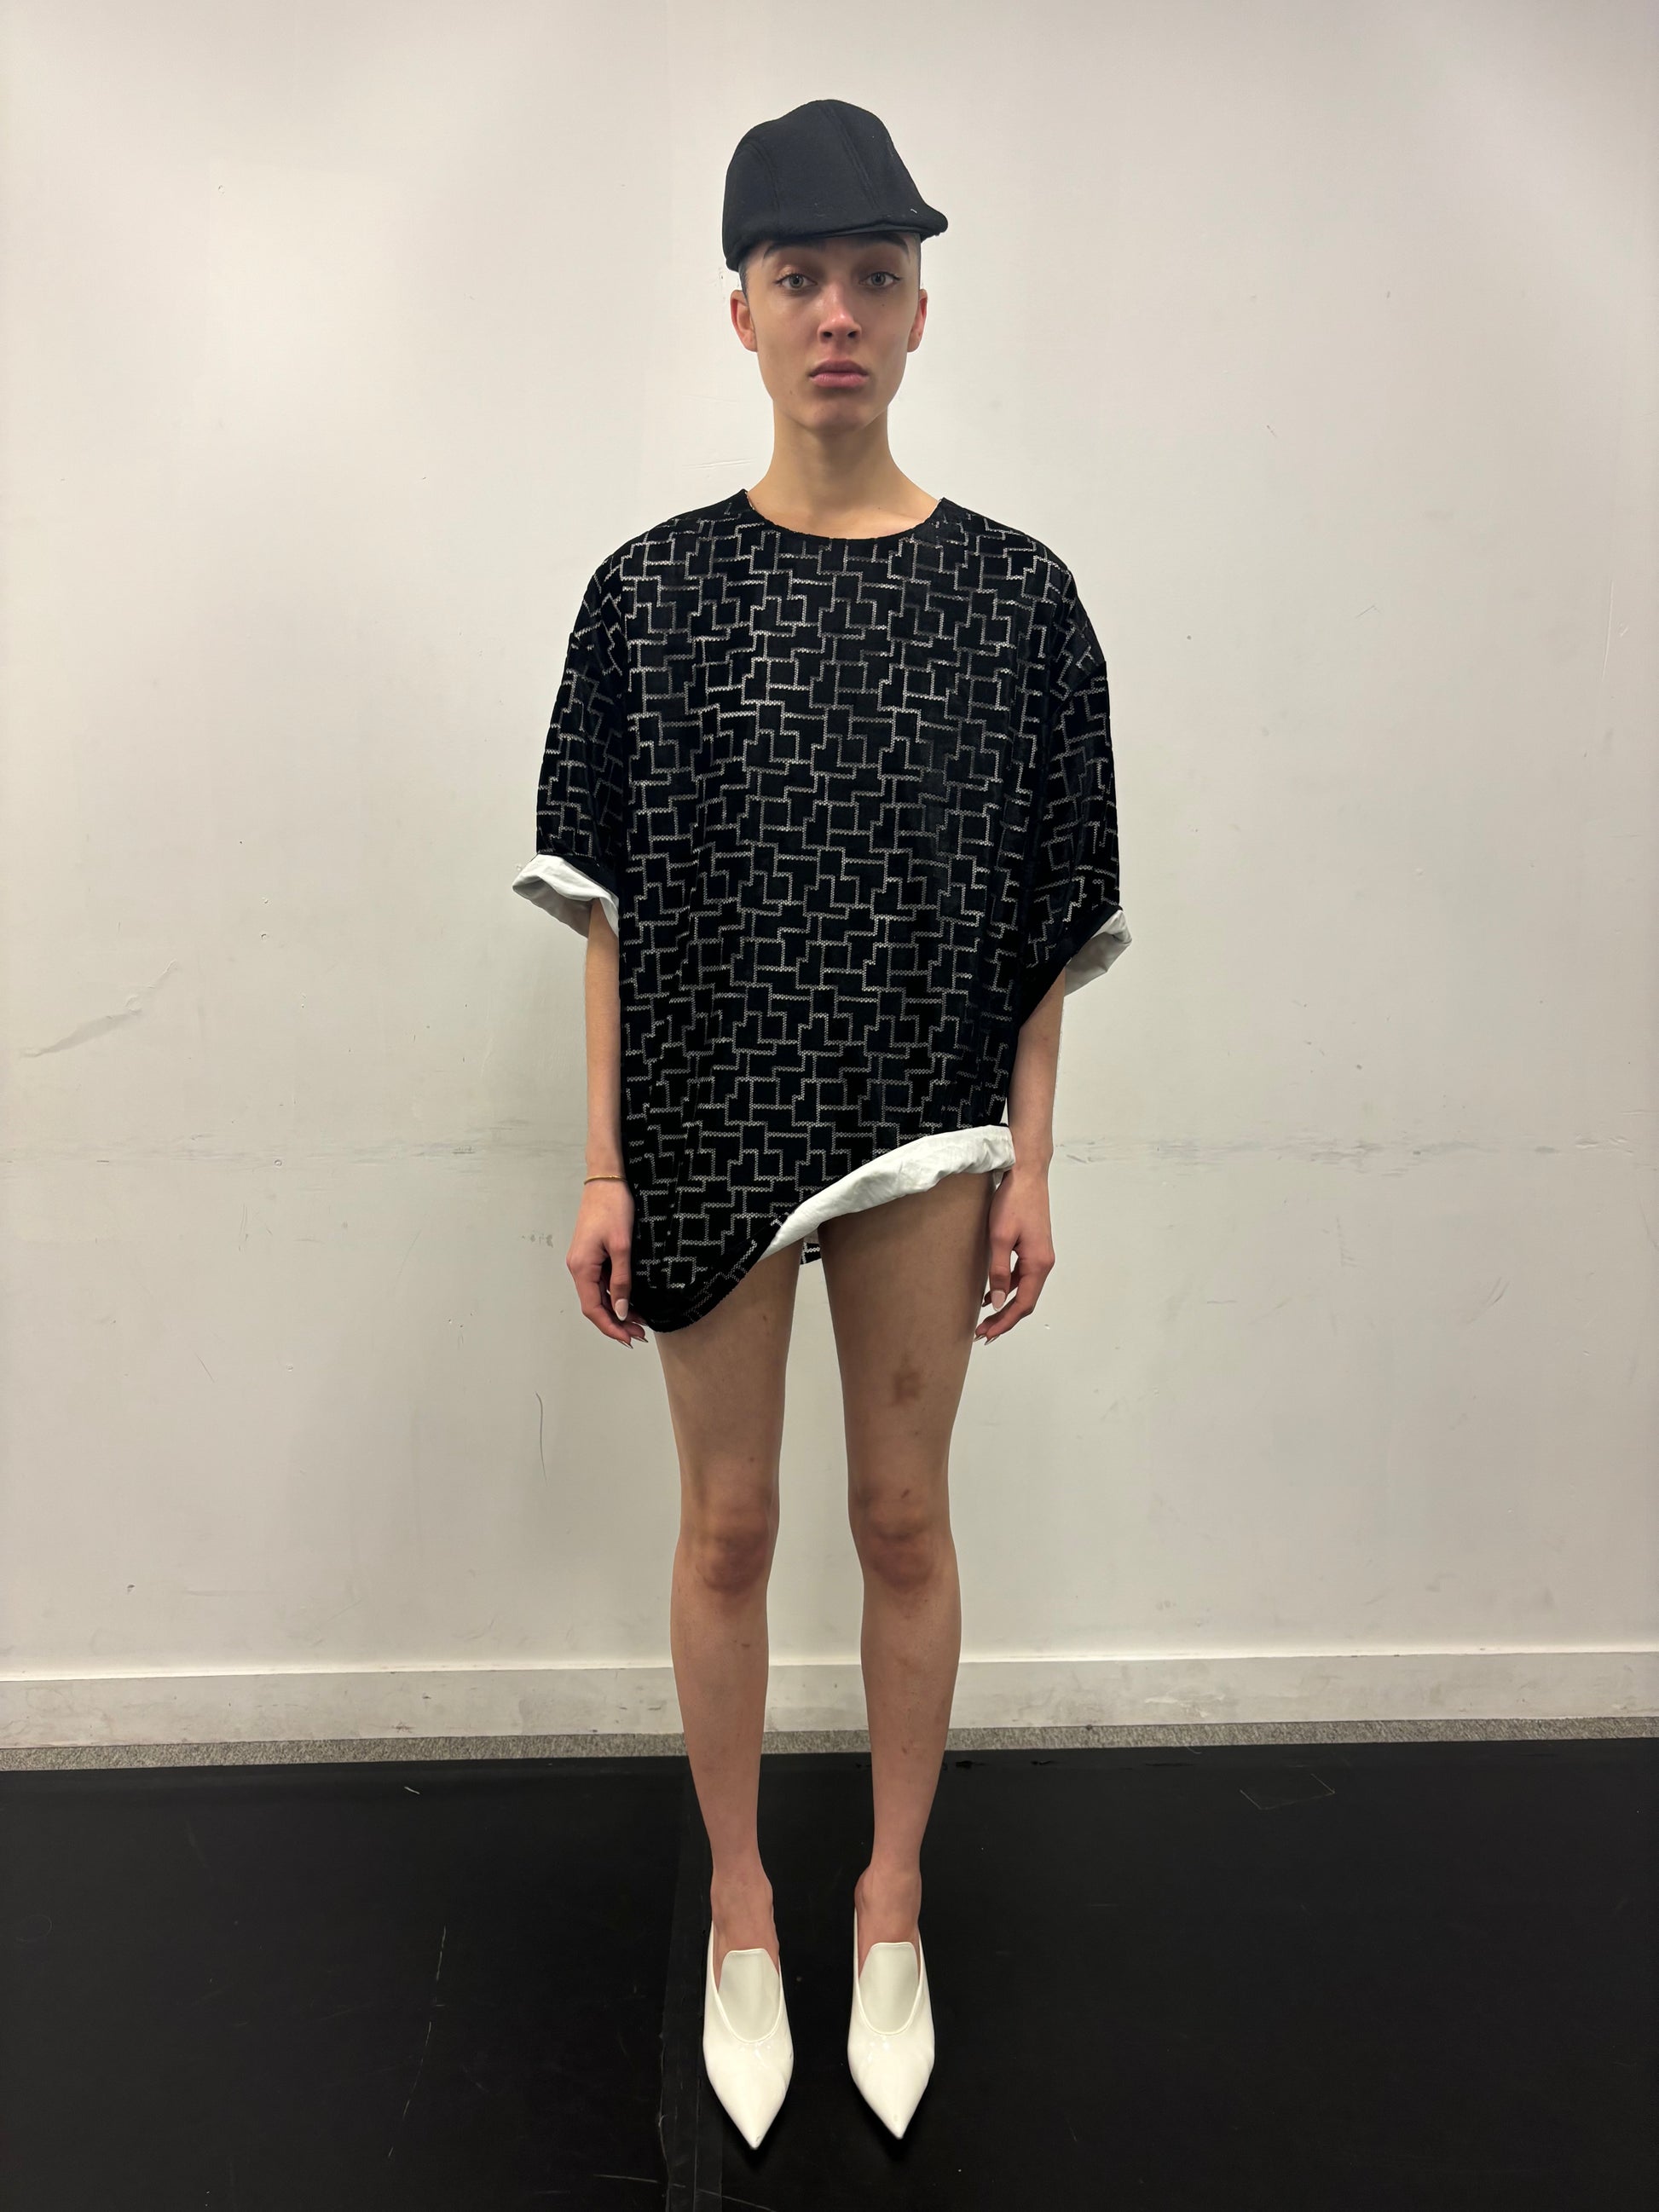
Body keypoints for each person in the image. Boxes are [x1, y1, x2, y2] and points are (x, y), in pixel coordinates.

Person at [512, 98, 1130, 2147]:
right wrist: (602, 1161)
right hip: (703, 1118)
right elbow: (608, 906)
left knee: (898, 1518)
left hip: (926, 1130)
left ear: (922, 306)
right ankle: (740, 1907)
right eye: (801, 276)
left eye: (875, 273)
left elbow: (1045, 905)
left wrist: (1032, 1153)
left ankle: (890, 1901)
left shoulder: (1018, 602)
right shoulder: (649, 596)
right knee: (726, 1526)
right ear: (743, 311)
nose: (839, 311)